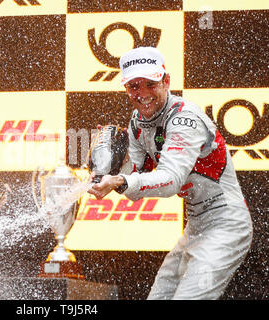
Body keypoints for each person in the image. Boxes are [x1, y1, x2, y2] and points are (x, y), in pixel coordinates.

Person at [88, 46, 253, 299]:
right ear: (125, 88)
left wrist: (120, 180)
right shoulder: (137, 121)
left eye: (150, 84)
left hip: (226, 224)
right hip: (196, 225)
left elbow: (170, 180)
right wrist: (109, 168)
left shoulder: (184, 119)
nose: (142, 94)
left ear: (166, 81)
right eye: (134, 86)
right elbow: (136, 181)